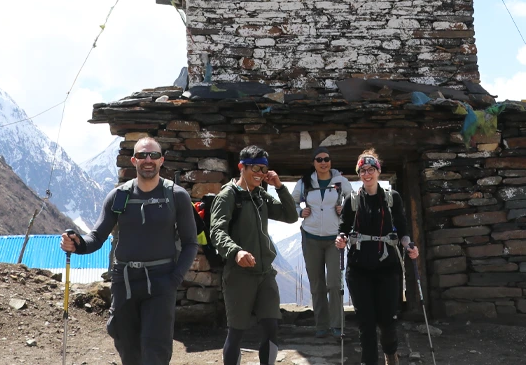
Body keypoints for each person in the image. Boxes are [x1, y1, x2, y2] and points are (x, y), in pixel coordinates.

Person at [61, 137, 198, 365]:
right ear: (133, 160)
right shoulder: (119, 196)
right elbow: (96, 237)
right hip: (124, 282)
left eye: (153, 155)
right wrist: (78, 244)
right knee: (128, 350)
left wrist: (174, 280)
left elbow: (190, 243)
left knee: (155, 352)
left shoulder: (176, 196)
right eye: (142, 155)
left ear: (161, 160)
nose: (148, 160)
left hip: (161, 282)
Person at [211, 145, 299, 365]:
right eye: (255, 168)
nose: (260, 173)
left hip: (265, 273)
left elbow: (290, 216)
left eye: (264, 168)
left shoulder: (260, 195)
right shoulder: (228, 196)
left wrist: (279, 187)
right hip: (239, 274)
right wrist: (236, 251)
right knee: (236, 331)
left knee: (271, 327)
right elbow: (217, 231)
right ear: (242, 167)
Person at [335, 149, 419, 365]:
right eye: (362, 170)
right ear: (358, 174)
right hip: (358, 269)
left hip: (387, 268)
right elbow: (343, 229)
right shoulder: (352, 200)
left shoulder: (392, 198)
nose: (367, 174)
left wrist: (409, 245)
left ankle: (391, 355)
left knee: (388, 321)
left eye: (371, 169)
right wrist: (341, 239)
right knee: (366, 323)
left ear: (378, 171)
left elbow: (402, 230)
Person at [292, 148, 352, 338]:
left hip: (335, 238)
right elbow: (291, 203)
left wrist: (344, 209)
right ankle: (322, 325)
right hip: (310, 237)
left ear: (331, 161)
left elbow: (354, 202)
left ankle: (337, 325)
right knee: (317, 284)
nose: (323, 162)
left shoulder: (341, 181)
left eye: (326, 159)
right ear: (314, 162)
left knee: (334, 283)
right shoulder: (304, 183)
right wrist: (300, 212)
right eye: (319, 159)